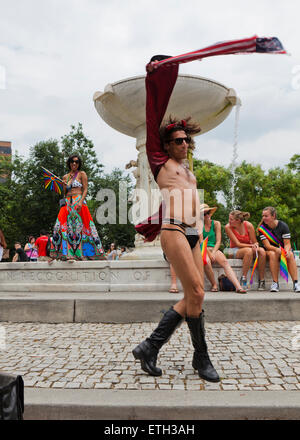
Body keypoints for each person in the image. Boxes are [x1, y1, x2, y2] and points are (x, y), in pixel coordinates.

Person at [132, 57, 220, 383]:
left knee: (196, 295)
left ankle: (149, 347)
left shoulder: (188, 169)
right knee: (196, 290)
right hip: (173, 231)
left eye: (186, 140)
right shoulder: (161, 163)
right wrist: (156, 75)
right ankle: (201, 358)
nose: (184, 143)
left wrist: (202, 219)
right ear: (167, 145)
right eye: (178, 140)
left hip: (194, 232)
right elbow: (152, 113)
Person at [50, 154, 105, 261]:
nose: (74, 163)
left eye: (76, 162)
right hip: (67, 202)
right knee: (61, 226)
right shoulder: (65, 177)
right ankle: (66, 253)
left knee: (82, 227)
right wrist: (64, 185)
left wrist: (80, 201)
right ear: (69, 163)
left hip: (79, 200)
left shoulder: (82, 174)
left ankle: (84, 253)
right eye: (72, 161)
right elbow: (64, 192)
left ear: (79, 164)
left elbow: (85, 189)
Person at [200, 204, 247, 294]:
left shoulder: (216, 223)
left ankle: (238, 287)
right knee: (206, 261)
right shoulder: (198, 225)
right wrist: (210, 254)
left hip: (214, 248)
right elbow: (201, 242)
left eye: (208, 213)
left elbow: (218, 241)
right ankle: (214, 284)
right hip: (203, 248)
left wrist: (213, 252)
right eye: (204, 214)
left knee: (225, 262)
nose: (207, 215)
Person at [258, 206, 300, 292]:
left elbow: (287, 243)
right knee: (273, 254)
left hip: (283, 248)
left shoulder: (283, 226)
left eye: (266, 216)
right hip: (270, 250)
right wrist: (277, 250)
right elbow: (267, 246)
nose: (263, 218)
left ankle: (296, 283)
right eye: (263, 216)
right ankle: (275, 283)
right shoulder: (262, 229)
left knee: (290, 254)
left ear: (273, 216)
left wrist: (287, 251)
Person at [225, 210, 266, 291]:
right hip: (235, 250)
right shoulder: (228, 227)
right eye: (229, 219)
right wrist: (252, 246)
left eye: (231, 219)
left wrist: (256, 246)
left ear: (238, 220)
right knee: (248, 251)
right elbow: (238, 244)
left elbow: (255, 242)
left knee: (262, 251)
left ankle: (262, 280)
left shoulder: (248, 225)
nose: (229, 221)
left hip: (248, 248)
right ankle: (243, 279)